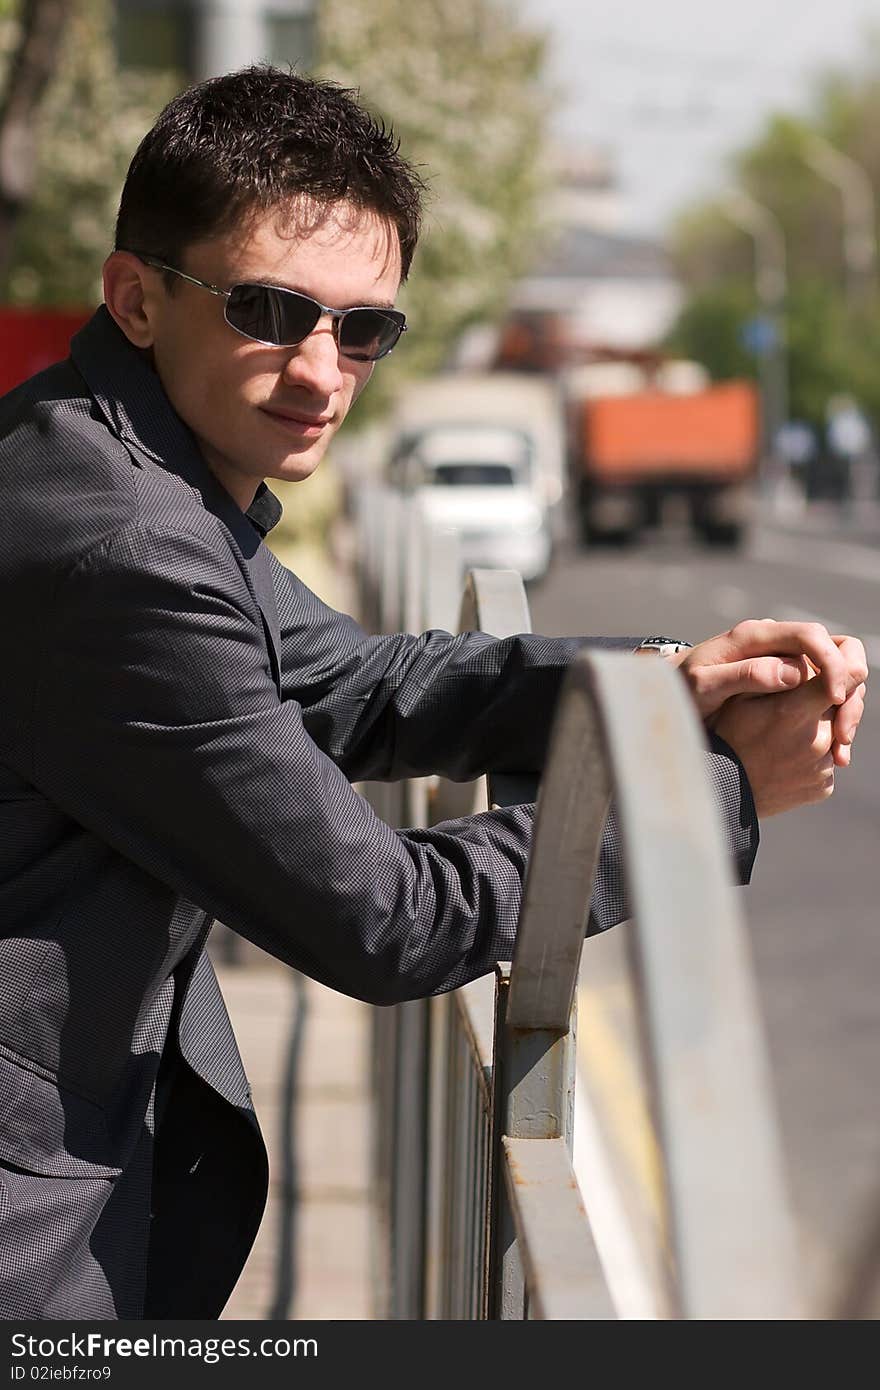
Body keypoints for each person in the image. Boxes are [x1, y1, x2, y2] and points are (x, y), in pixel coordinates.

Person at [0, 66, 866, 1320]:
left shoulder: (109, 452)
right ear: (136, 297)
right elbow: (385, 918)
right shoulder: (121, 540)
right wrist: (707, 800)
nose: (321, 372)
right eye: (268, 310)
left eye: (363, 329)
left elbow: (352, 682)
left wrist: (669, 684)